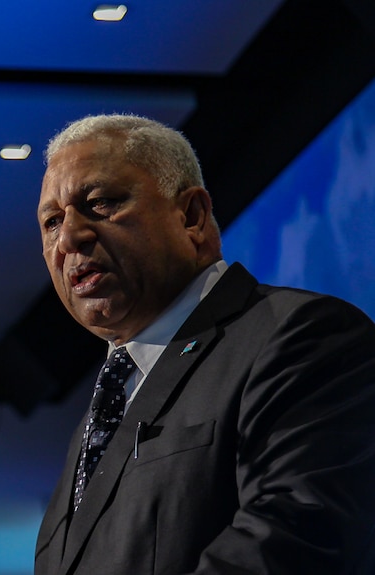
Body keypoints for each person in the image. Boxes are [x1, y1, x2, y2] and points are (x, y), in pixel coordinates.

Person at [33, 114, 375, 575]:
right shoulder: (101, 415)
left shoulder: (300, 335)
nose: (70, 237)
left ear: (192, 216)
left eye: (100, 203)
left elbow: (299, 535)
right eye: (52, 221)